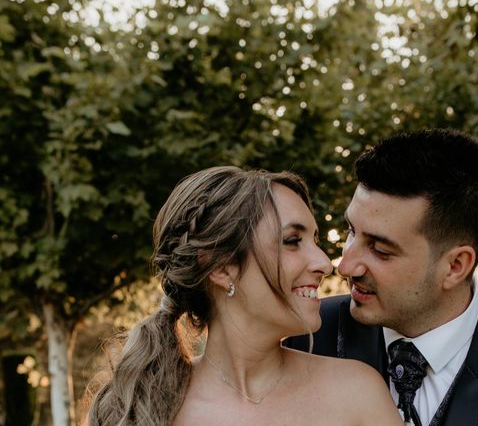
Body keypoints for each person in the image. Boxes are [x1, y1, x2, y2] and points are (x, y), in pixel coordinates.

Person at [287, 129, 478, 426]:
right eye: (351, 232)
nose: (345, 266)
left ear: (455, 266)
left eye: (381, 250)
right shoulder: (303, 338)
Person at [86, 166, 403, 426]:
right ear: (221, 267)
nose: (323, 263)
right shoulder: (134, 408)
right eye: (292, 241)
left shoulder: (356, 393)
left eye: (315, 239)